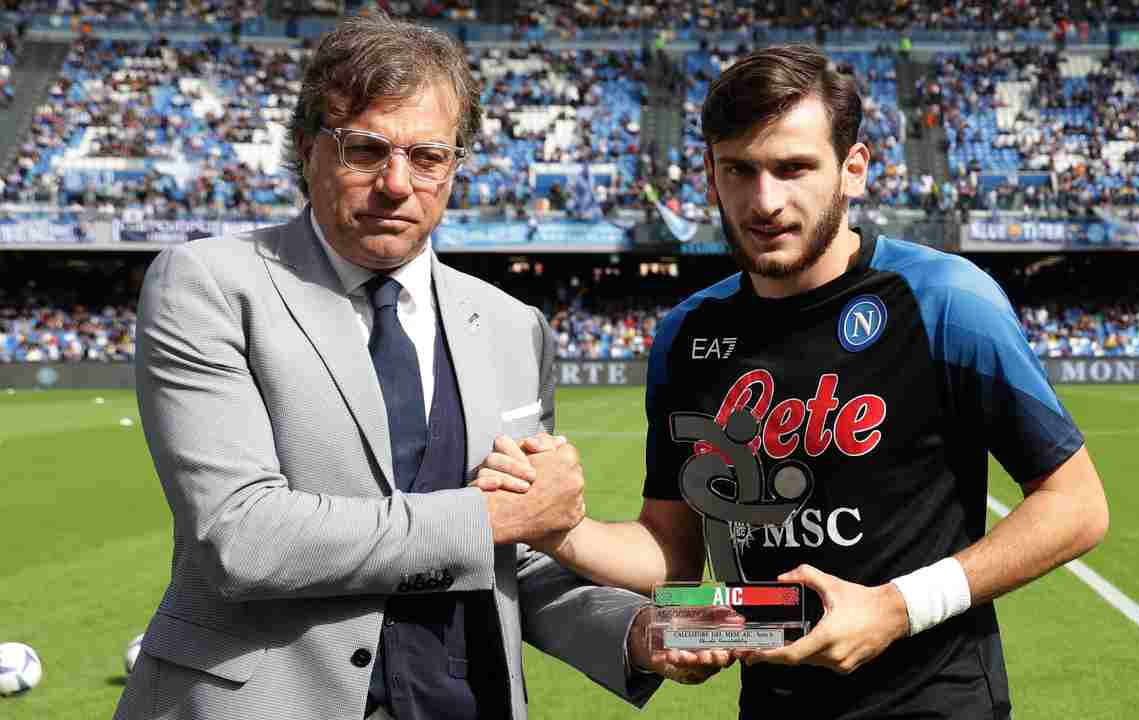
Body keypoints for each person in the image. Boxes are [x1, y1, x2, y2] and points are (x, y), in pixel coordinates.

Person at [114, 12, 725, 720]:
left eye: (428, 157)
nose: (396, 184)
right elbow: (242, 536)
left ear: (455, 166)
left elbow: (512, 554)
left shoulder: (512, 326)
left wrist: (636, 630)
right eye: (365, 150)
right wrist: (488, 516)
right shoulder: (210, 284)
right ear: (308, 149)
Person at [487, 45, 1109, 719]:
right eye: (739, 169)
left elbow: (1076, 506)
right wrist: (558, 529)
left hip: (936, 705)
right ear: (710, 173)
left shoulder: (945, 300)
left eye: (794, 168)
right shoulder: (687, 335)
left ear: (853, 169)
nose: (765, 202)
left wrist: (897, 608)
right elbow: (671, 554)